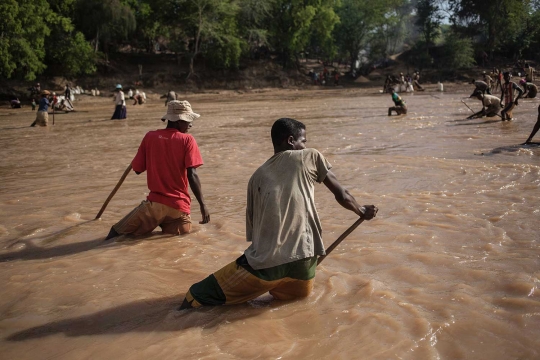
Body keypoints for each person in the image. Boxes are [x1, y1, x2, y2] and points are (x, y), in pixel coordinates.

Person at [179, 118, 378, 309]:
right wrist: (361, 210)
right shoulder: (310, 156)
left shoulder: (256, 177)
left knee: (194, 297)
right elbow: (343, 195)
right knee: (286, 308)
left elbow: (254, 232)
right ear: (291, 141)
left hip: (267, 265)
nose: (305, 146)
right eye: (303, 141)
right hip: (305, 265)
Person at [105, 100, 210, 240]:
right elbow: (192, 173)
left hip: (155, 205)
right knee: (177, 241)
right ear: (178, 121)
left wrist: (146, 153)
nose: (190, 125)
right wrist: (203, 205)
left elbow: (137, 169)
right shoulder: (188, 140)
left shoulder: (150, 137)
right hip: (179, 208)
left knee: (115, 234)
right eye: (188, 121)